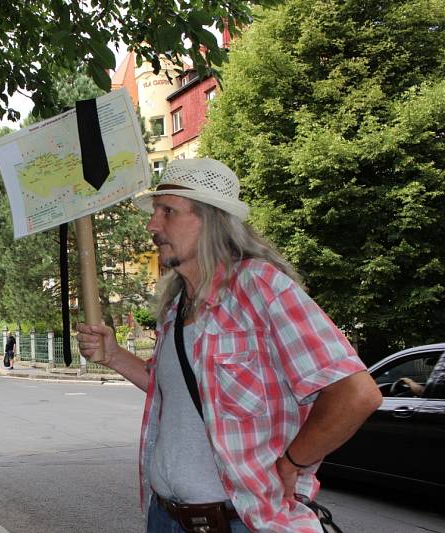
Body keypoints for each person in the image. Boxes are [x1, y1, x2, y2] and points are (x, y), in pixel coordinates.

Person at [76, 158, 383, 532]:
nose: (152, 225)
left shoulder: (261, 288)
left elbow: (357, 393)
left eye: (167, 212)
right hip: (164, 518)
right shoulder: (177, 307)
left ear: (210, 220)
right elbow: (174, 391)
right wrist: (114, 355)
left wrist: (293, 463)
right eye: (155, 212)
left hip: (239, 522)